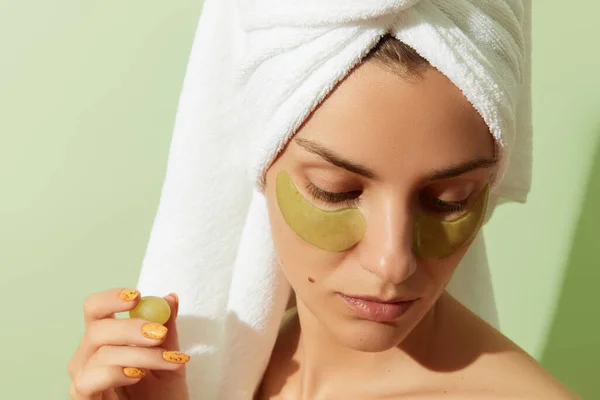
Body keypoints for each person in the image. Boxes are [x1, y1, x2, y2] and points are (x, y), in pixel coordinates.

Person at [68, 1, 582, 399]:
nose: (393, 263)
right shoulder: (217, 370)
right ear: (262, 167)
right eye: (335, 191)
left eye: (451, 199)